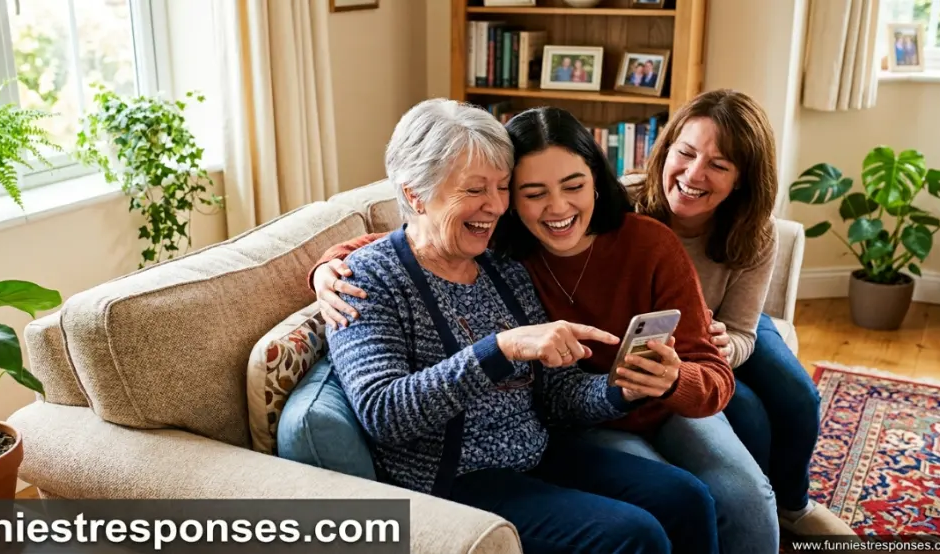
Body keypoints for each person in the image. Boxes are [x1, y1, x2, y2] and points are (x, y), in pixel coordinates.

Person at [311, 103, 780, 553]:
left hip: (538, 450)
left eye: (501, 188)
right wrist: (500, 349)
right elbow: (383, 412)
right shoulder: (365, 280)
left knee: (687, 499)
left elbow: (557, 394)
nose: (494, 206)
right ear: (414, 194)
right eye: (476, 190)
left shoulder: (500, 264)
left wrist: (625, 387)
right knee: (635, 535)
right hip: (455, 475)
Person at [627, 89, 858, 538]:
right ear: (666, 149)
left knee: (798, 396)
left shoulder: (756, 232)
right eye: (687, 153)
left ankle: (793, 505)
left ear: (742, 180)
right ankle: (757, 508)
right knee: (747, 410)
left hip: (728, 326)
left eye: (718, 165)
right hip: (673, 339)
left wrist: (725, 345)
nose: (694, 173)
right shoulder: (624, 203)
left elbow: (742, 331)